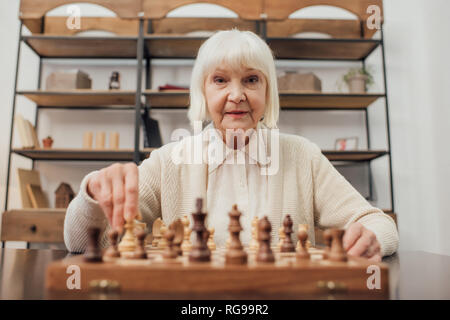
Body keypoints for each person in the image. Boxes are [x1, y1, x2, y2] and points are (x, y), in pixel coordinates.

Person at [64, 29, 398, 261]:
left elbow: (381, 224)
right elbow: (80, 242)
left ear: (267, 94)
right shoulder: (169, 160)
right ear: (203, 92)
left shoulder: (303, 156)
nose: (236, 95)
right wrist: (93, 193)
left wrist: (370, 238)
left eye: (251, 80)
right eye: (220, 80)